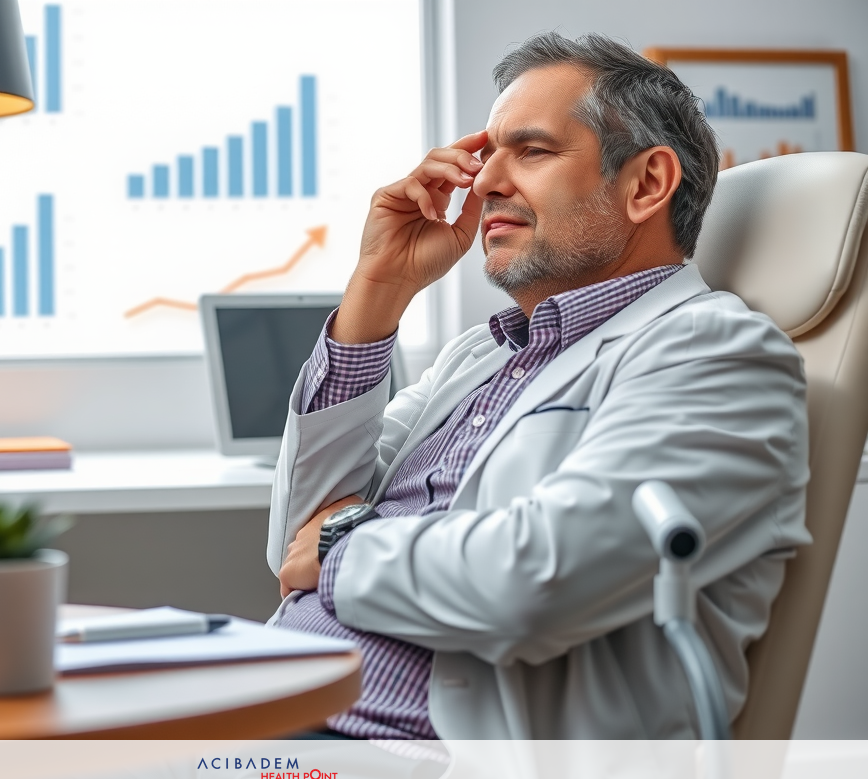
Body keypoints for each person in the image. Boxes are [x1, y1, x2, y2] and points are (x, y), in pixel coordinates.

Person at [267, 31, 810, 739]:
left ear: (646, 183)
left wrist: (342, 552)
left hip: (402, 761)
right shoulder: (481, 357)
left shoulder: (718, 354)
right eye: (487, 153)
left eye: (531, 150)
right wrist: (379, 290)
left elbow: (536, 580)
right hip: (276, 719)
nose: (485, 181)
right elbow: (291, 542)